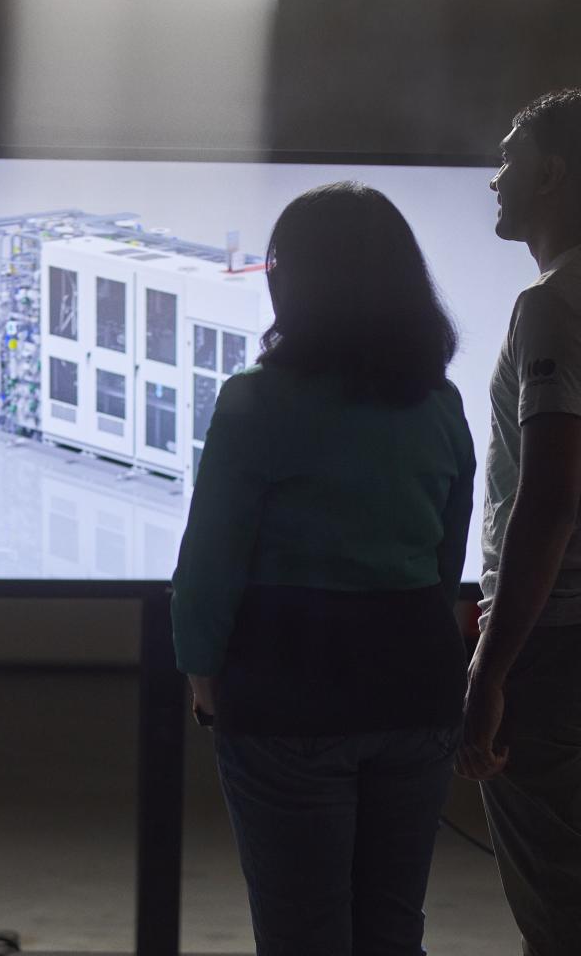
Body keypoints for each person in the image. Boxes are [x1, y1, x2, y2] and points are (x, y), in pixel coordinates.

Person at [171, 182, 475, 956]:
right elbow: (447, 561)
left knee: (304, 935)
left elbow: (210, 562)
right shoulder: (440, 404)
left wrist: (205, 678)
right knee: (392, 928)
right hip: (416, 691)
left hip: (288, 691)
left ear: (292, 282)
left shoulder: (254, 403)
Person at [456, 88, 581, 955]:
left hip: (555, 644)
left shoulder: (553, 306)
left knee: (560, 912)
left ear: (551, 175)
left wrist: (491, 670)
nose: (494, 179)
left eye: (508, 158)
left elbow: (549, 497)